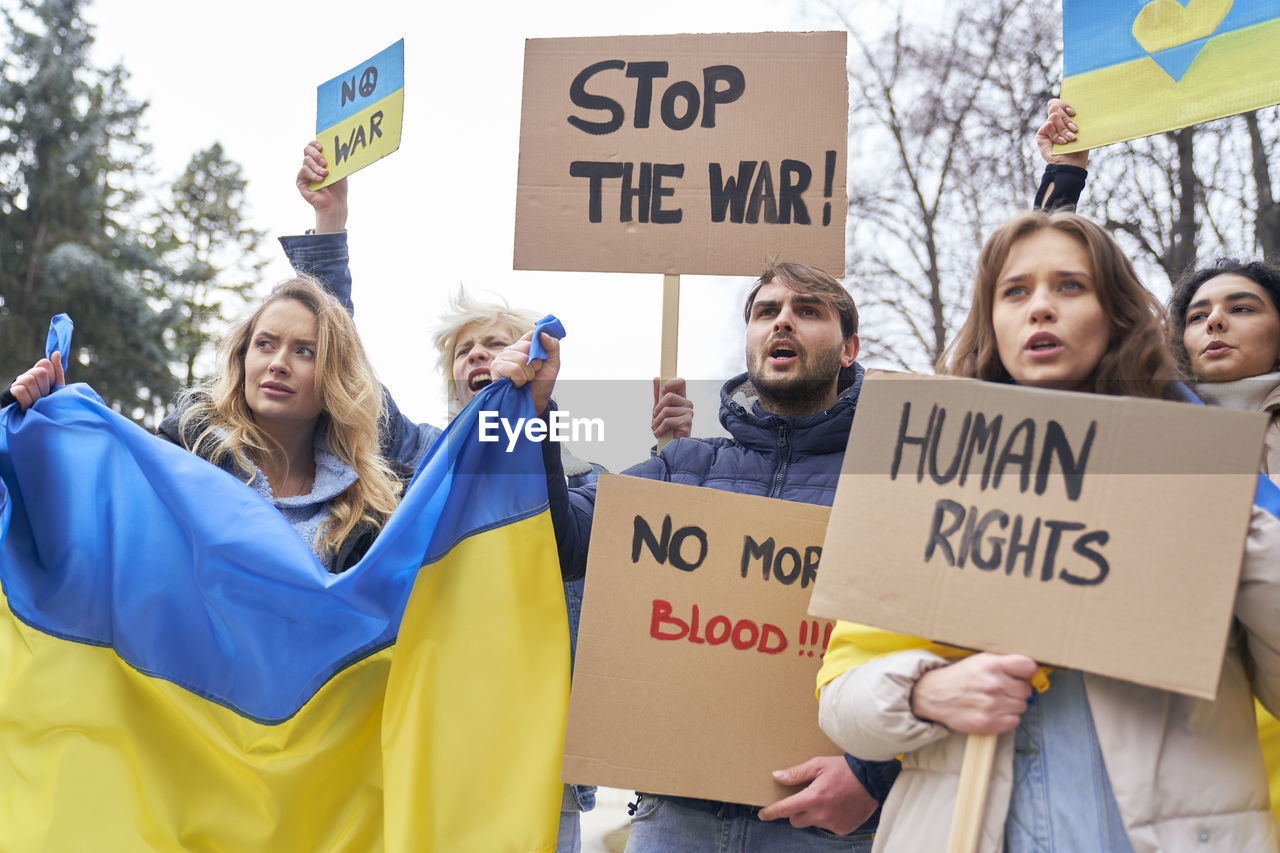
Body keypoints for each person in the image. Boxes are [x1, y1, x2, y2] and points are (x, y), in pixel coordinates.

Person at [816, 209, 1280, 851]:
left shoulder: (1194, 471)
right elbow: (841, 701)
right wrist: (926, 692)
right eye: (1015, 291)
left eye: (1070, 286)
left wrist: (1238, 531)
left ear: (1113, 312)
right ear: (993, 320)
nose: (1040, 308)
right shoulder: (926, 474)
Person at [492, 260, 898, 852]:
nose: (782, 321)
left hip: (830, 824)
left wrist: (873, 772)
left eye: (807, 311)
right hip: (675, 820)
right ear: (751, 340)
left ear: (848, 348)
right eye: (766, 312)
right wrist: (531, 415)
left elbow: (935, 637)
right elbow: (557, 544)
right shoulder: (683, 468)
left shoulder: (890, 483)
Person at [1038, 98, 1280, 831]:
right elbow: (1041, 321)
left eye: (1241, 307)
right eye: (1199, 311)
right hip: (1196, 769)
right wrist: (1062, 181)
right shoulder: (1150, 423)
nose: (1214, 321)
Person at [10, 275, 409, 575]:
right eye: (265, 344)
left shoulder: (370, 513)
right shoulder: (181, 450)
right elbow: (95, 518)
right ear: (242, 358)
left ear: (333, 379)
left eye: (305, 351)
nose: (278, 363)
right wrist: (51, 433)